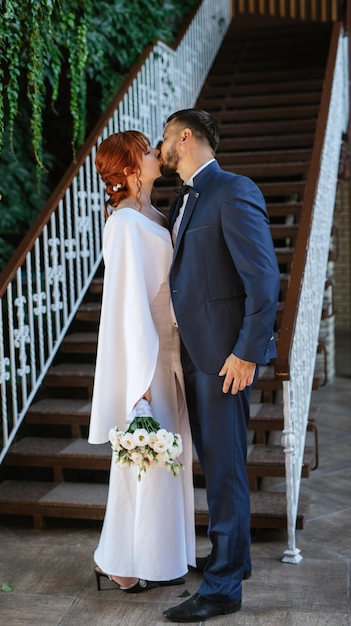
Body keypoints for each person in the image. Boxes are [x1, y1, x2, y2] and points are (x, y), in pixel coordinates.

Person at [159, 109, 280, 621]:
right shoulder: (181, 199)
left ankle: (223, 588)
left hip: (225, 358)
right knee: (215, 462)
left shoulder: (234, 189)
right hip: (194, 353)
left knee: (226, 468)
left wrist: (248, 352)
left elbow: (263, 279)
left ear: (185, 137)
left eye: (165, 138)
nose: (162, 147)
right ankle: (237, 556)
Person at [88, 130, 196, 593]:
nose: (157, 154)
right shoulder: (123, 224)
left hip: (169, 343)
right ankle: (124, 563)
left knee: (169, 457)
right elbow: (127, 304)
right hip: (147, 352)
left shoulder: (152, 213)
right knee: (147, 457)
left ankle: (157, 556)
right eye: (149, 151)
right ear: (132, 168)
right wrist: (140, 379)